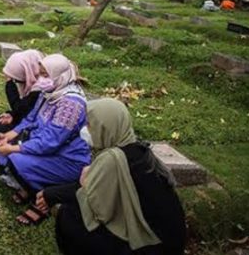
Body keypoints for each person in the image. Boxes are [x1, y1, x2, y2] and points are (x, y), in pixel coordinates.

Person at [41, 98, 186, 255]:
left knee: (69, 215)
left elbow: (95, 203)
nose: (86, 129)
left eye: (90, 125)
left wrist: (53, 194)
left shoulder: (112, 158)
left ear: (106, 127)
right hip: (170, 241)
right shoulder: (138, 149)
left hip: (149, 246)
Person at [0, 54, 91, 224]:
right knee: (3, 147)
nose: (40, 79)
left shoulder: (71, 104)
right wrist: (10, 134)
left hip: (67, 158)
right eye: (39, 74)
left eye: (45, 75)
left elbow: (50, 142)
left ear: (59, 75)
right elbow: (31, 118)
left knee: (14, 158)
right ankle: (34, 187)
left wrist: (12, 148)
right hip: (46, 148)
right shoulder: (50, 92)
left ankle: (42, 199)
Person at [0, 50, 47, 161]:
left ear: (28, 72)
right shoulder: (33, 83)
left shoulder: (42, 88)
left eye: (16, 80)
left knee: (1, 129)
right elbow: (25, 109)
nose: (17, 83)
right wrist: (12, 115)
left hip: (34, 128)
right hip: (26, 119)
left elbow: (21, 108)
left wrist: (9, 85)